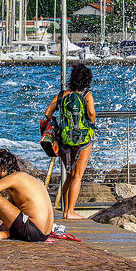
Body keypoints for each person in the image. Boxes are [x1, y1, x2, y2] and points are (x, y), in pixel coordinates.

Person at [44, 63, 96, 219]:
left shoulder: (62, 95)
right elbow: (92, 113)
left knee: (68, 174)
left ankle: (66, 210)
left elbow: (48, 113)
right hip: (83, 140)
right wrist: (89, 122)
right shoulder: (87, 95)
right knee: (78, 175)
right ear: (87, 80)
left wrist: (58, 122)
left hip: (64, 140)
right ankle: (70, 212)